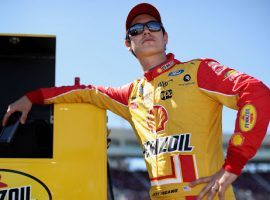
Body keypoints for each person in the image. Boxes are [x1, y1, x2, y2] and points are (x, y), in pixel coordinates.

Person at [2, 3, 270, 200]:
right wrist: (32, 97)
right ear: (128, 44)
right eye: (136, 29)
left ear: (165, 36)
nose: (146, 31)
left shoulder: (198, 71)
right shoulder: (132, 94)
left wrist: (232, 167)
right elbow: (86, 91)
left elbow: (256, 92)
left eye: (154, 26)